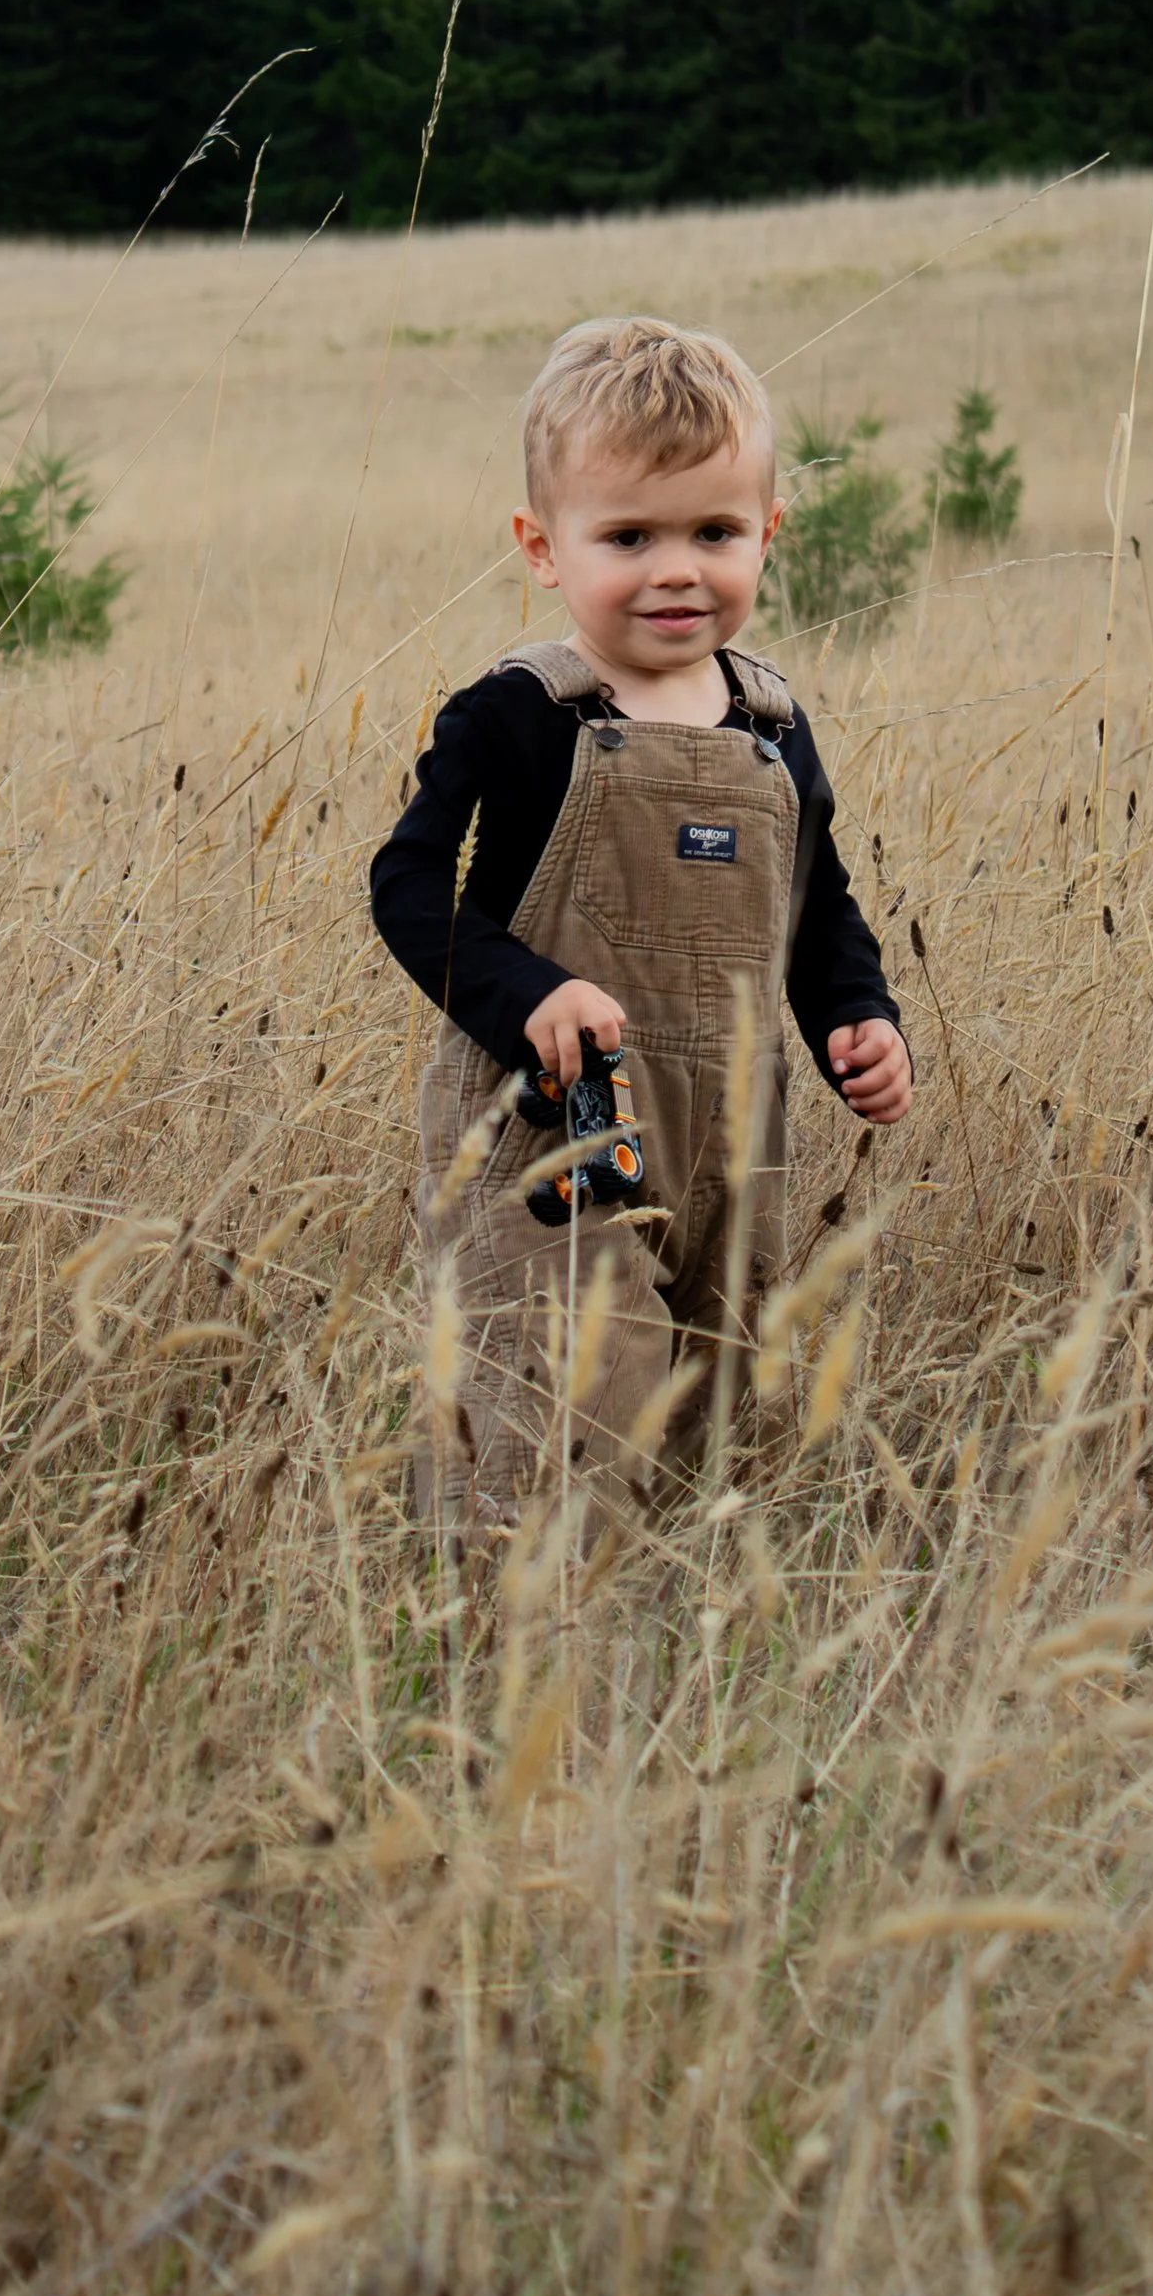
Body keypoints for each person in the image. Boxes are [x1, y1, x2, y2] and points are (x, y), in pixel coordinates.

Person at [370, 314, 913, 1550]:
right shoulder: (517, 717)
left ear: (768, 531)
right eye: (628, 537)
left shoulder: (771, 723)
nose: (677, 570)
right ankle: (514, 1647)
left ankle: (662, 1672)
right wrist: (524, 993)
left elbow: (814, 904)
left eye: (714, 533)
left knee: (714, 1407)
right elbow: (406, 886)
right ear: (542, 548)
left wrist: (856, 1019)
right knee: (575, 1395)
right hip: (549, 1122)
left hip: (735, 1126)